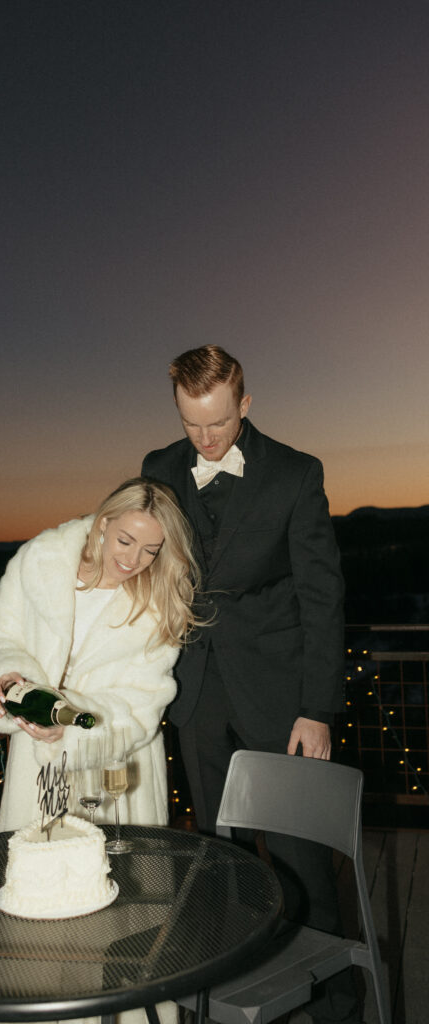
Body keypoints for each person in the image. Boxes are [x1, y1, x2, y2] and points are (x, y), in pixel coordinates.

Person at [142, 345, 363, 1024]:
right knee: (216, 851)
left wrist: (317, 708)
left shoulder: (296, 474)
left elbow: (322, 596)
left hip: (279, 690)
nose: (206, 441)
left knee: (298, 854)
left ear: (244, 401)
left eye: (217, 422)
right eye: (191, 425)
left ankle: (333, 1001)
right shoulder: (157, 470)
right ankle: (234, 988)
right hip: (197, 690)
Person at [0, 477, 199, 834]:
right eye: (125, 540)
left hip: (117, 774)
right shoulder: (41, 562)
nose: (133, 559)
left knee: (118, 881)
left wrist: (70, 727)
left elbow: (144, 703)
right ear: (104, 523)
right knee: (37, 877)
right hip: (37, 768)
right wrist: (5, 671)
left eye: (151, 550)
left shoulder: (159, 602)